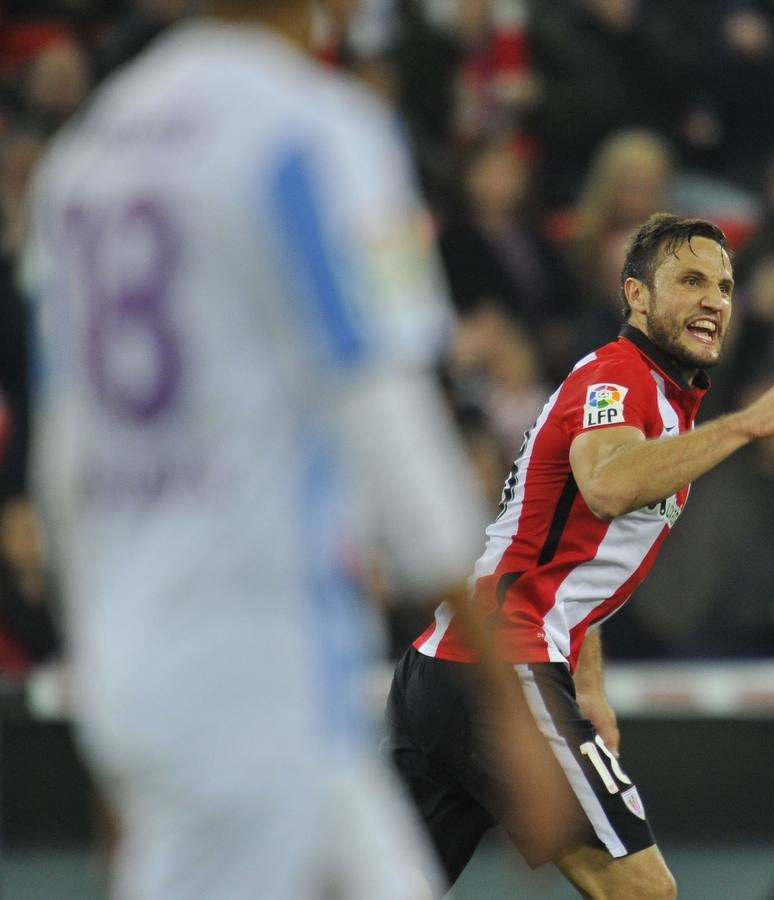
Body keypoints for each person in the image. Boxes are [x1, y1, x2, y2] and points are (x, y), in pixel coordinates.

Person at [24, 1, 513, 897]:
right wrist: (505, 694)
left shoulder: (86, 151)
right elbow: (387, 410)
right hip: (252, 654)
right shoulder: (314, 130)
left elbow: (64, 462)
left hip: (153, 642)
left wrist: (101, 663)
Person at [385, 213, 774, 896]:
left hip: (449, 671)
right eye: (690, 281)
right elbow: (606, 486)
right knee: (644, 892)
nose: (714, 300)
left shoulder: (657, 394)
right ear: (636, 295)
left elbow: (580, 550)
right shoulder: (620, 379)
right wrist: (747, 425)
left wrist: (590, 679)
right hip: (505, 661)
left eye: (723, 284)